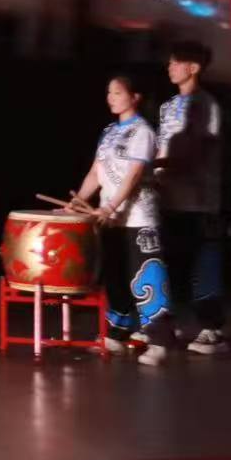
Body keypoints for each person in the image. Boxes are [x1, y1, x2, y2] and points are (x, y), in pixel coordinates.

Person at [72, 75, 177, 365]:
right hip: (111, 217)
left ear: (135, 97)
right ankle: (117, 333)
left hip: (138, 217)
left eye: (117, 92)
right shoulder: (109, 132)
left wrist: (111, 207)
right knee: (115, 274)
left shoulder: (142, 131)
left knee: (145, 275)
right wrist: (77, 202)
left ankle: (160, 340)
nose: (111, 98)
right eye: (109, 92)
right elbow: (95, 172)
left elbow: (133, 175)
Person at [156, 41, 228, 353]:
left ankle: (212, 330)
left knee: (203, 264)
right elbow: (163, 147)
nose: (170, 67)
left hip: (199, 201)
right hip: (168, 198)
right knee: (170, 264)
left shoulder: (206, 104)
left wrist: (152, 165)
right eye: (170, 62)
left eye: (176, 62)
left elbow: (194, 151)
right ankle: (168, 326)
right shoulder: (168, 106)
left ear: (194, 67)